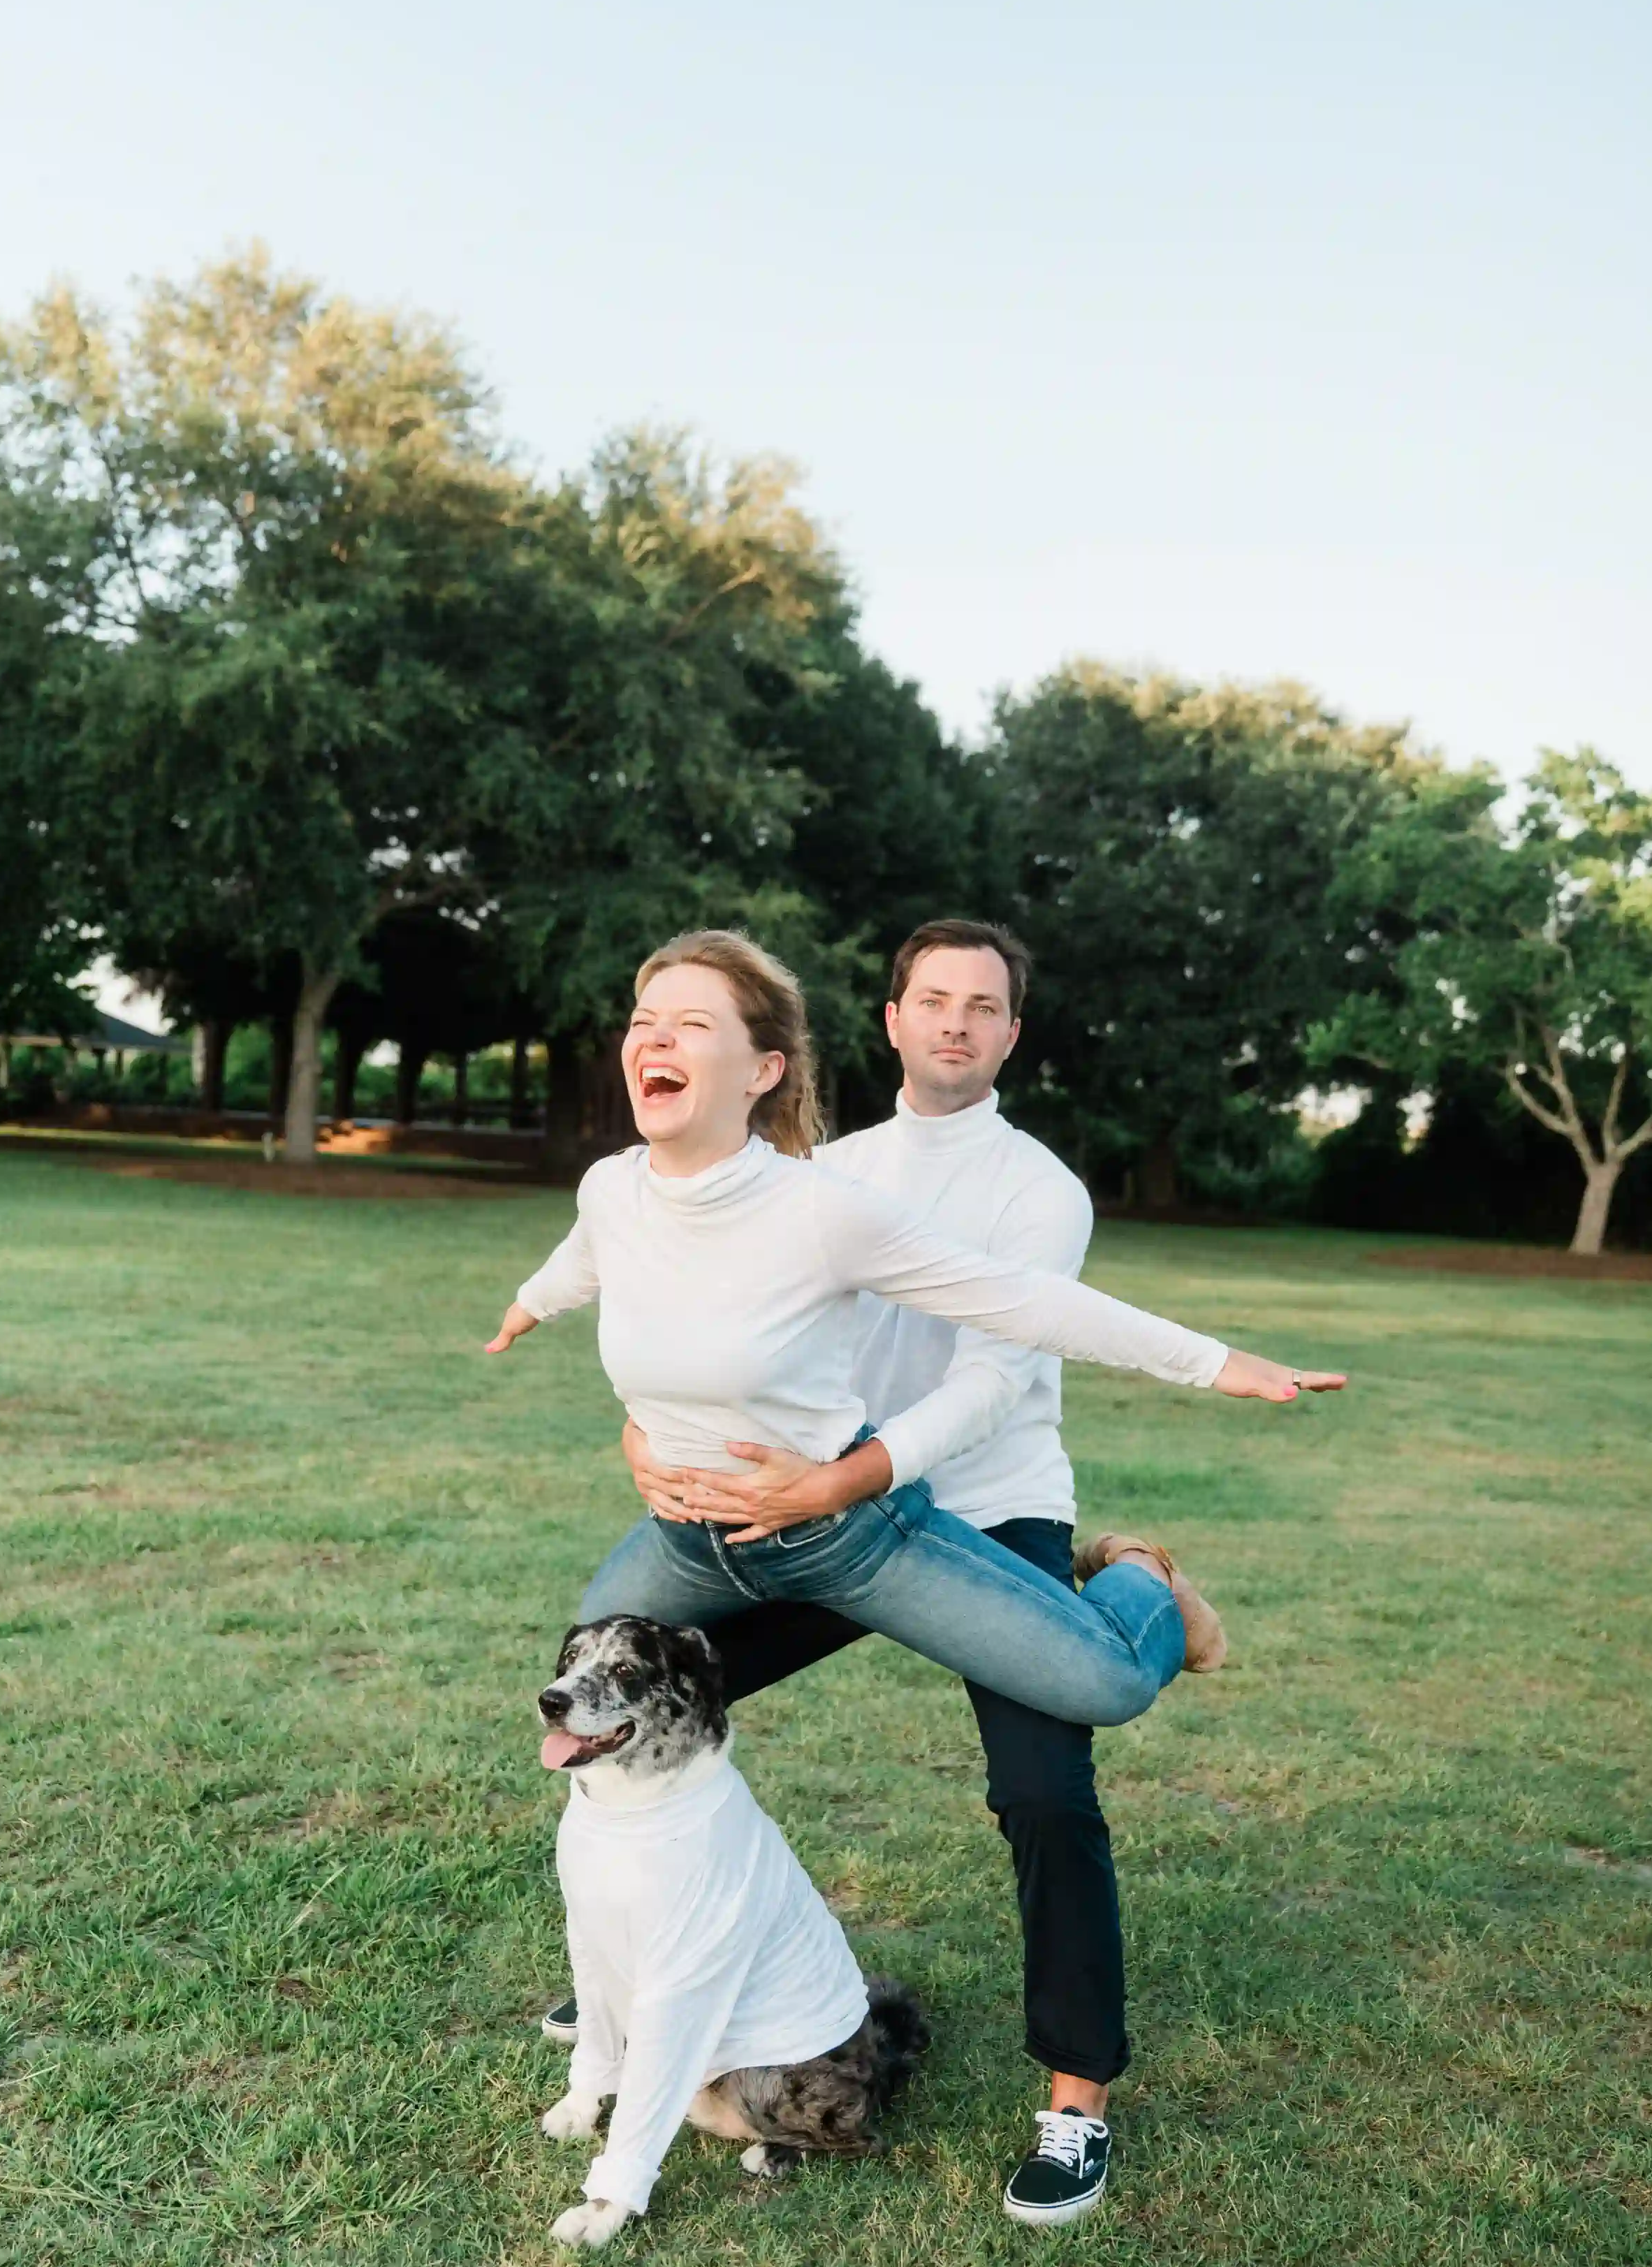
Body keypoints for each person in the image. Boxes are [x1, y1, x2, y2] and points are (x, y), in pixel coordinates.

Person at [486, 929, 1344, 2198]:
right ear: (887, 1022)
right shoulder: (793, 1166)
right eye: (931, 1001)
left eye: (983, 1006)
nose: (954, 1023)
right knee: (627, 1685)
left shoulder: (1011, 1192)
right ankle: (647, 1988)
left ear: (1009, 1033)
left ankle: (1077, 2091)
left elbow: (1015, 1350)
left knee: (1050, 1780)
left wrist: (1215, 1361)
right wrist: (627, 1414)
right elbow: (644, 1283)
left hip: (965, 1512)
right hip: (782, 1518)